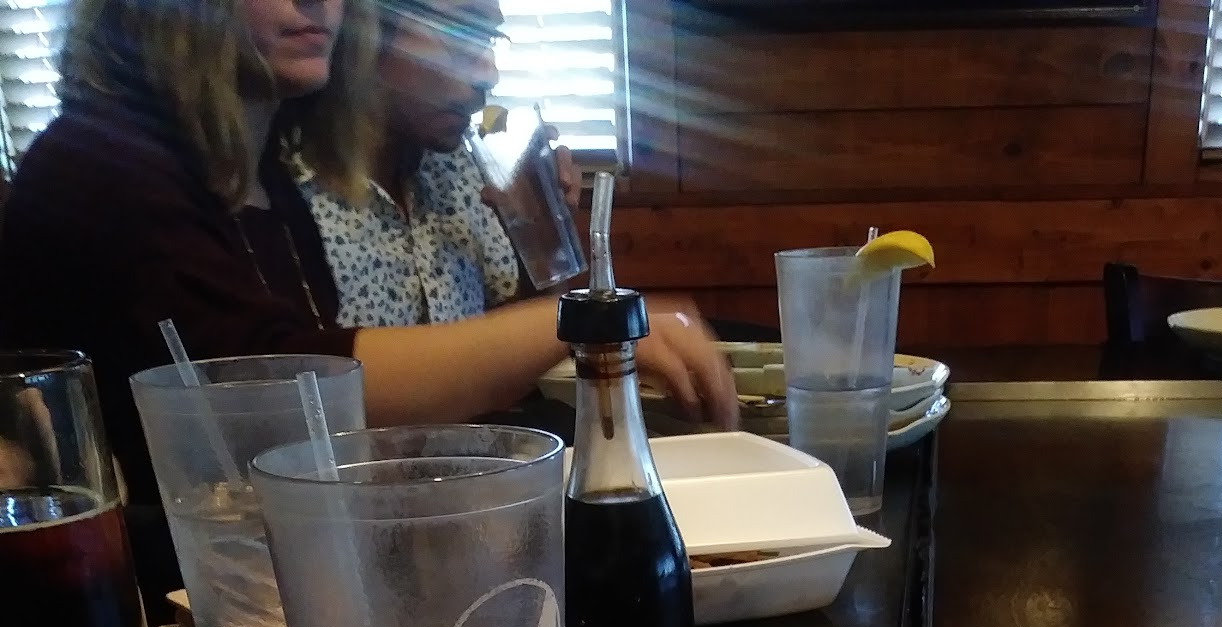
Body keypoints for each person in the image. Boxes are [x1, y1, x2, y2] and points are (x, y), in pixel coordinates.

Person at [0, 0, 735, 531]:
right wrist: (579, 320)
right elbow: (279, 393)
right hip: (134, 593)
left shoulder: (256, 174)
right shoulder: (101, 165)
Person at [291, 0, 574, 327]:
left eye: (490, 38)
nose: (490, 75)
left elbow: (512, 335)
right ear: (369, 28)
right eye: (461, 33)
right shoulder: (282, 189)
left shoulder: (461, 169)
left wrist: (542, 241)